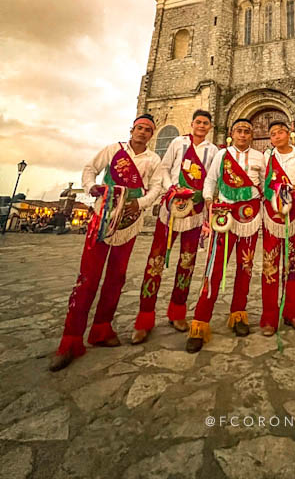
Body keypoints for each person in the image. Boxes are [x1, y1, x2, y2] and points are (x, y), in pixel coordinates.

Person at [49, 114, 163, 372]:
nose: (143, 132)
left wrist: (140, 203)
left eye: (148, 130)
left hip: (129, 221)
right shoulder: (113, 150)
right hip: (102, 218)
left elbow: (157, 188)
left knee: (116, 276)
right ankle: (71, 340)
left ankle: (102, 328)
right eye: (140, 128)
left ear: (152, 135)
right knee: (88, 277)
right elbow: (90, 168)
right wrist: (90, 187)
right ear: (132, 129)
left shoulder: (153, 159)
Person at [132, 110, 218, 344]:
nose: (201, 126)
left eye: (205, 123)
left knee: (187, 262)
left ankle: (177, 312)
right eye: (198, 122)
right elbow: (165, 168)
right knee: (156, 261)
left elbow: (211, 178)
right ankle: (144, 319)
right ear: (191, 124)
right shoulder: (178, 142)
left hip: (195, 212)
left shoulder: (213, 151)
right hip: (171, 208)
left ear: (210, 127)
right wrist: (172, 190)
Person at [185, 118, 265, 353]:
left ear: (251, 135)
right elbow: (210, 180)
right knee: (214, 269)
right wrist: (209, 201)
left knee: (246, 267)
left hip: (249, 217)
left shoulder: (261, 157)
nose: (243, 134)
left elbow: (264, 185)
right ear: (232, 133)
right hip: (224, 217)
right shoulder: (221, 155)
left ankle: (239, 314)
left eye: (247, 131)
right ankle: (200, 322)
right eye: (239, 130)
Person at [260, 121, 295, 336]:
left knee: (291, 263)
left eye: (280, 132)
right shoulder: (267, 157)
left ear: (289, 134)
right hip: (272, 213)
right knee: (269, 263)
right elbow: (263, 182)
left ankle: (292, 312)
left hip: (294, 213)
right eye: (272, 134)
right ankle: (269, 317)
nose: (276, 136)